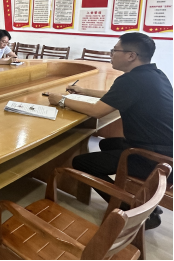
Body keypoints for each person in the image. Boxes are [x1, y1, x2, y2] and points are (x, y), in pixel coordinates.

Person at [47, 33, 173, 230]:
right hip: (165, 151)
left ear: (131, 56)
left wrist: (61, 100)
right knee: (107, 144)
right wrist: (84, 91)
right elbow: (117, 96)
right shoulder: (155, 74)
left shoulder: (130, 80)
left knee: (82, 162)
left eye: (115, 50)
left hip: (155, 159)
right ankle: (133, 196)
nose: (111, 54)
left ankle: (130, 209)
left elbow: (97, 111)